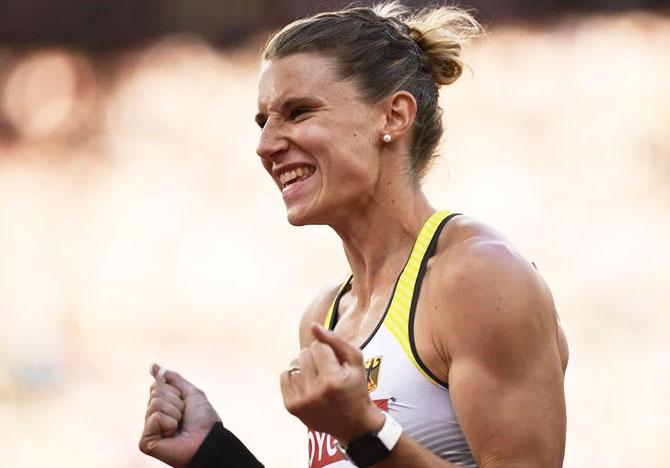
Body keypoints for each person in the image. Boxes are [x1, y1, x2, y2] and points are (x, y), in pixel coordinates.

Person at [139, 2, 569, 467]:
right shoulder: (323, 317)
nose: (266, 145)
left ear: (394, 116)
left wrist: (365, 431)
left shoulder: (478, 276)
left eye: (298, 112)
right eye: (264, 122)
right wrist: (213, 455)